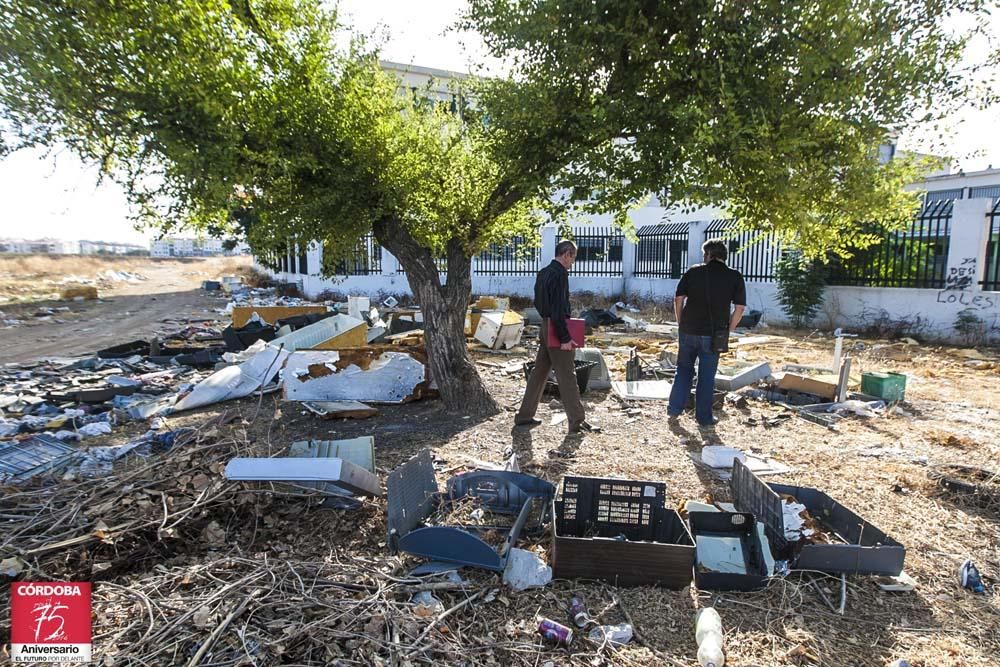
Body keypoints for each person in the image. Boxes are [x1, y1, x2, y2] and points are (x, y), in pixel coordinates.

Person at [515, 240, 599, 434]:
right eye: (573, 258)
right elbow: (558, 308)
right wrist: (564, 337)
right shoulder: (560, 274)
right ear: (567, 254)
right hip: (557, 327)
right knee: (567, 375)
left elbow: (539, 303)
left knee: (539, 372)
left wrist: (549, 324)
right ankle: (577, 421)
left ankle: (524, 416)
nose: (573, 263)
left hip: (545, 325)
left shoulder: (544, 272)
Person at [667, 239, 746, 426]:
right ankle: (704, 418)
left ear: (709, 254)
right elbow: (740, 308)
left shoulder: (694, 272)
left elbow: (678, 298)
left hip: (689, 330)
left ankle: (674, 410)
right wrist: (729, 329)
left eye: (704, 254)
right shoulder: (734, 276)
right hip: (714, 334)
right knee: (707, 376)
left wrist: (681, 321)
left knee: (683, 370)